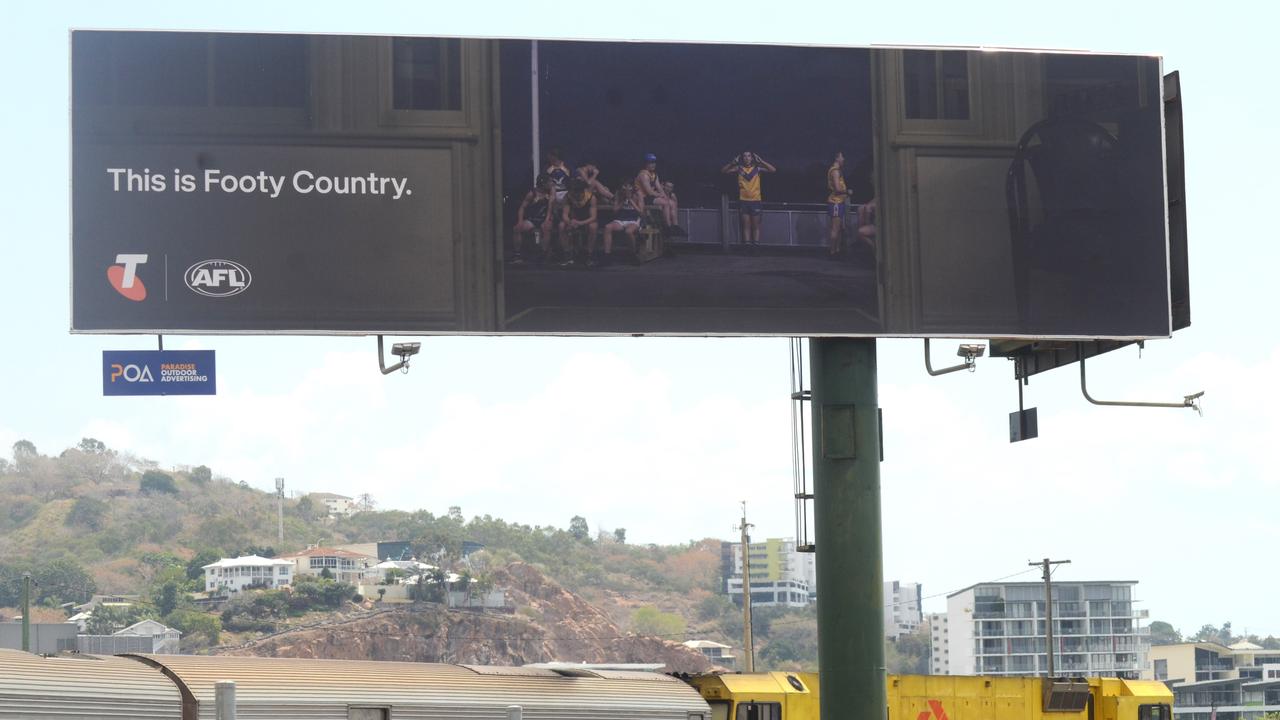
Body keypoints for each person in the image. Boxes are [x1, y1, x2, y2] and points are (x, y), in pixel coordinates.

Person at [721, 151, 777, 248]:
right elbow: (723, 171)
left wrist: (762, 161)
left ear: (752, 158)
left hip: (755, 201)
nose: (747, 158)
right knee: (746, 226)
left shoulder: (757, 169)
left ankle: (755, 247)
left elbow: (773, 170)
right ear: (742, 158)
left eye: (749, 156)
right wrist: (732, 163)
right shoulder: (739, 169)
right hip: (743, 201)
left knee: (755, 226)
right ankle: (747, 247)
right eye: (745, 156)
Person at [635, 153, 685, 236]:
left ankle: (675, 226)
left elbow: (660, 188)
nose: (653, 164)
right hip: (642, 198)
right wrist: (661, 196)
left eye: (654, 162)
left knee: (672, 202)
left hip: (650, 197)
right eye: (651, 162)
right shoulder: (643, 175)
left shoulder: (654, 175)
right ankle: (668, 228)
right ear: (646, 164)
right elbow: (649, 192)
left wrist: (665, 196)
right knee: (665, 203)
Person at [511, 174, 554, 264]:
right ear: (543, 183)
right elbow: (522, 208)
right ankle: (517, 254)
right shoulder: (532, 193)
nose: (551, 183)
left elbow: (550, 208)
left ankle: (543, 253)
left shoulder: (551, 192)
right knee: (517, 228)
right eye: (549, 182)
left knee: (547, 227)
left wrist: (547, 220)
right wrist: (520, 221)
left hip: (544, 219)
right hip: (533, 219)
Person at [559, 177, 598, 267]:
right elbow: (565, 214)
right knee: (561, 225)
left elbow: (593, 217)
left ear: (581, 191)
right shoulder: (568, 196)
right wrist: (570, 222)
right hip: (573, 220)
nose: (574, 194)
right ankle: (567, 255)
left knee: (593, 226)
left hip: (586, 220)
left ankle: (590, 255)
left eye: (576, 192)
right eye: (572, 191)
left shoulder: (591, 197)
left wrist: (581, 223)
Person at [602, 178, 644, 262]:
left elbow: (641, 212)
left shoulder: (638, 194)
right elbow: (615, 210)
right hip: (621, 219)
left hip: (633, 219)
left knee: (628, 231)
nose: (627, 189)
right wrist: (623, 200)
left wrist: (630, 200)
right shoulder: (618, 194)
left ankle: (633, 254)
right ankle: (607, 256)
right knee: (607, 227)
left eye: (629, 187)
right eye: (625, 187)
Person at [826, 151, 850, 258]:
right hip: (836, 202)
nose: (843, 159)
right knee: (835, 228)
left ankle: (837, 250)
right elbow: (837, 188)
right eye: (842, 157)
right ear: (837, 158)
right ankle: (832, 252)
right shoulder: (835, 171)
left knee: (839, 228)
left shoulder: (837, 171)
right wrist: (847, 192)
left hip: (839, 202)